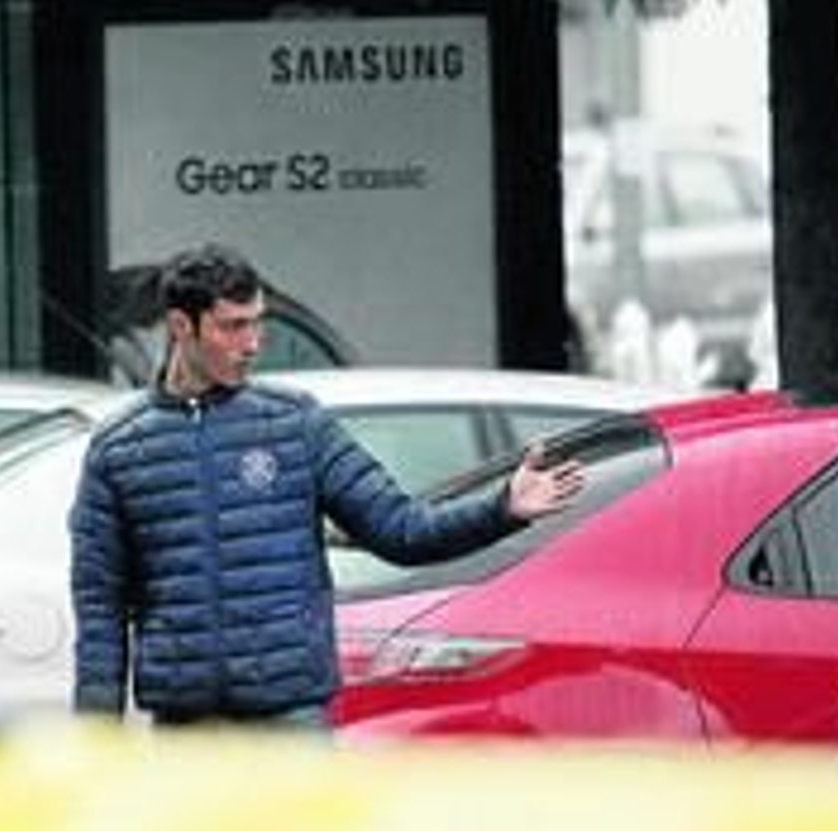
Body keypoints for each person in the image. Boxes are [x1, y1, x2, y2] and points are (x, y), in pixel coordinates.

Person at [69, 243, 585, 729]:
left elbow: (401, 530)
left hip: (290, 718)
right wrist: (97, 743)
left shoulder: (295, 424)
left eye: (257, 324)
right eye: (232, 327)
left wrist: (503, 507)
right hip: (188, 732)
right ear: (181, 326)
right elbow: (100, 610)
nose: (252, 344)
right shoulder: (120, 448)